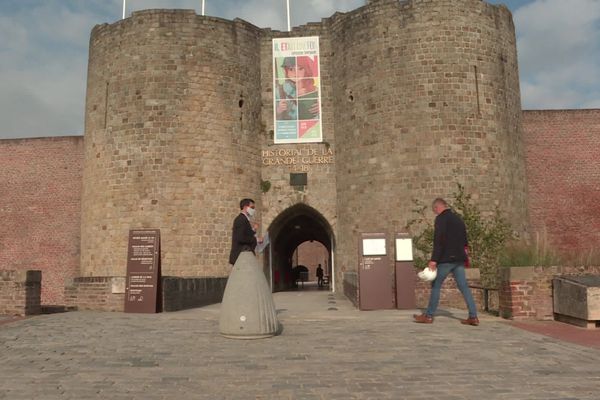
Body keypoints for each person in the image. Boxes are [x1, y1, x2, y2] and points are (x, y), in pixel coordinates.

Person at [413, 198, 479, 326]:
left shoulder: (441, 219)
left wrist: (434, 260)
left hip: (446, 259)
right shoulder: (458, 219)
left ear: (437, 207)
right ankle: (473, 316)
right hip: (459, 259)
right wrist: (463, 255)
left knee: (436, 285)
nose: (435, 213)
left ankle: (428, 315)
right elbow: (465, 240)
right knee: (464, 287)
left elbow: (439, 240)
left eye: (434, 210)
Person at [228, 198, 261, 266]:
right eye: (252, 207)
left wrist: (253, 230)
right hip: (240, 256)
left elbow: (245, 234)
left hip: (243, 256)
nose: (254, 210)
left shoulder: (243, 219)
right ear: (246, 207)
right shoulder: (241, 219)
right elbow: (241, 238)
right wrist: (256, 240)